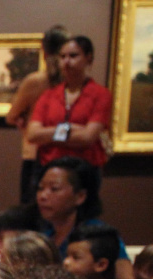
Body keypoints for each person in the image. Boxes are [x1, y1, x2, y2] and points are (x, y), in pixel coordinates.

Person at [34, 156, 132, 279]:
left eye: (54, 189)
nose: (43, 196)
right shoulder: (43, 236)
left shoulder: (98, 234)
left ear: (80, 196)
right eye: (40, 188)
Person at [27, 35, 112, 178]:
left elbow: (87, 138)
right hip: (49, 168)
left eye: (73, 56)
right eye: (62, 57)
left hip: (85, 172)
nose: (66, 62)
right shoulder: (48, 96)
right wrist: (71, 128)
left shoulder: (101, 95)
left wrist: (49, 134)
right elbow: (33, 135)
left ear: (88, 58)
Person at [5, 25, 70, 203]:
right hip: (68, 153)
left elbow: (11, 116)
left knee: (33, 214)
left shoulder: (35, 81)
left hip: (36, 154)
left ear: (45, 52)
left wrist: (23, 121)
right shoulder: (76, 81)